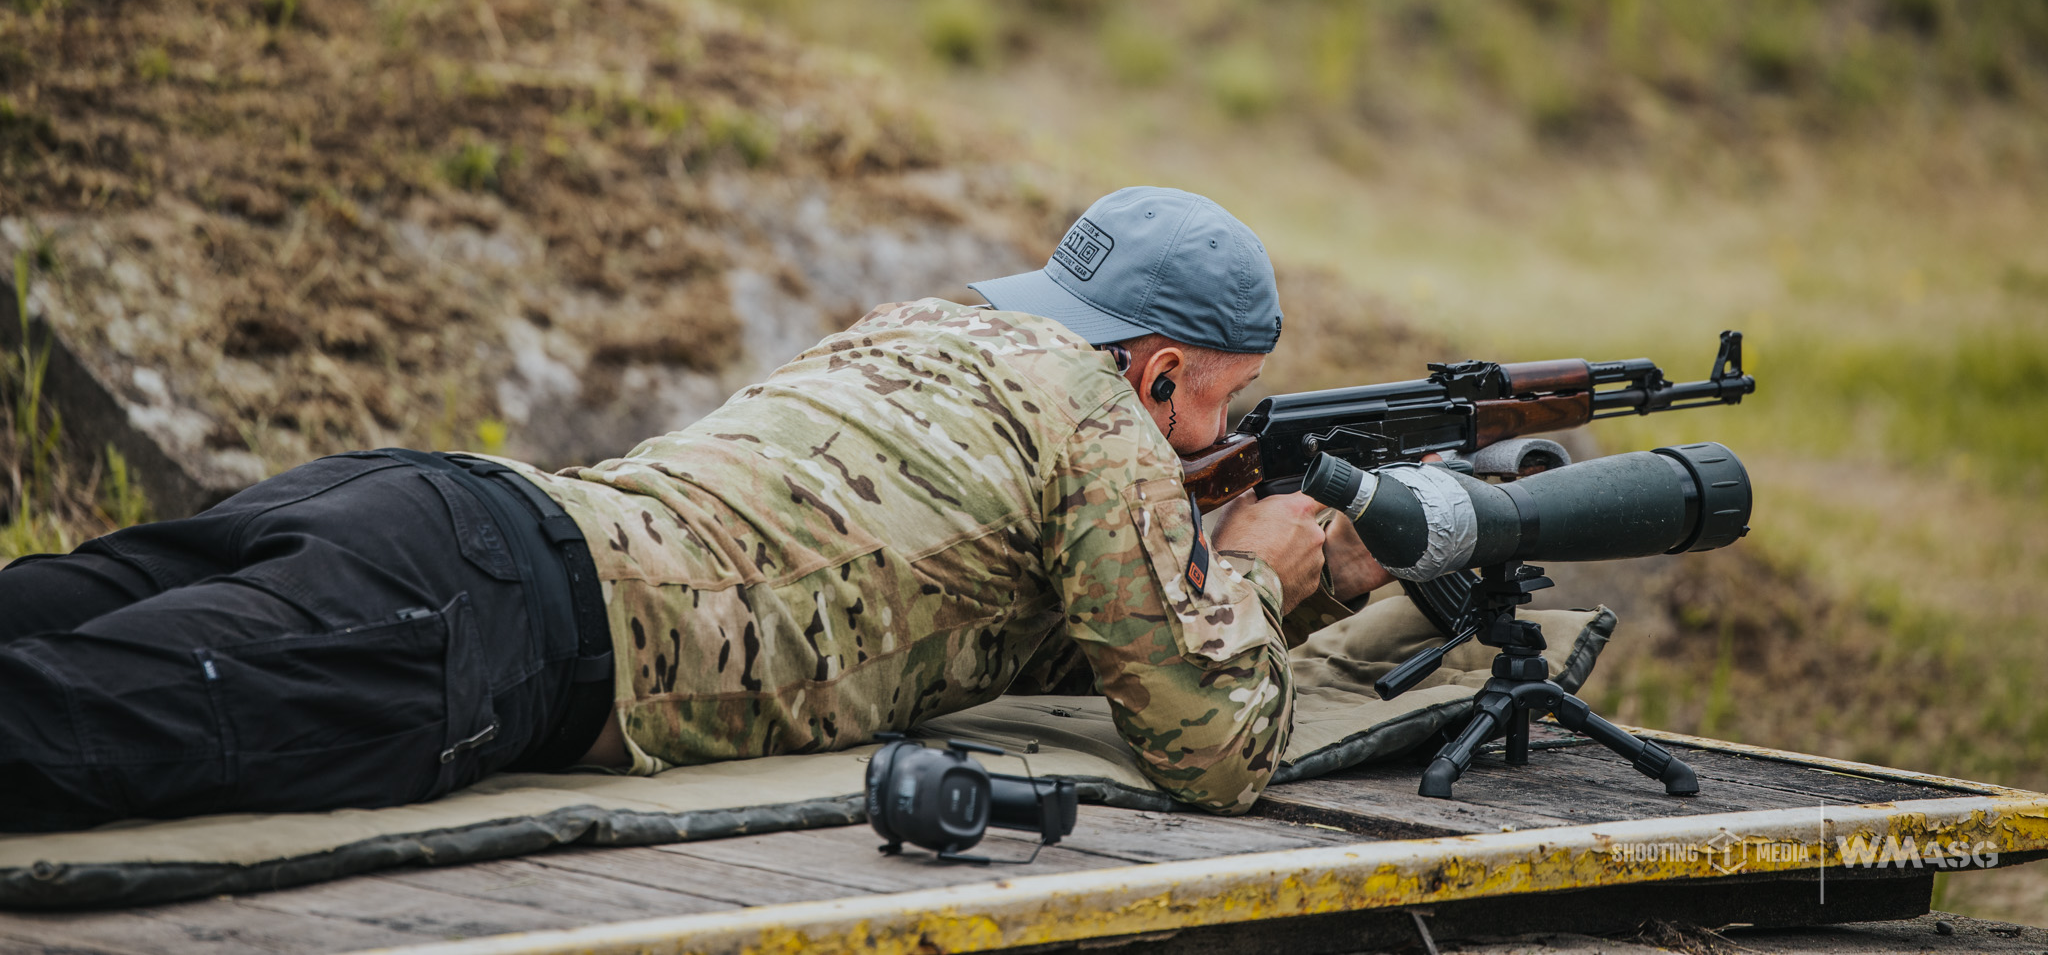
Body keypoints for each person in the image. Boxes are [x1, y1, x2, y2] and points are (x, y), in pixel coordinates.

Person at [0, 187, 1388, 833]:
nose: (1227, 433)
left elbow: (974, 612)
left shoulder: (923, 335)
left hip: (421, 508)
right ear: (1156, 372)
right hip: (487, 631)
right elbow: (1209, 745)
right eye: (1228, 398)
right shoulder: (1106, 426)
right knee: (48, 734)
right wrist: (1261, 572)